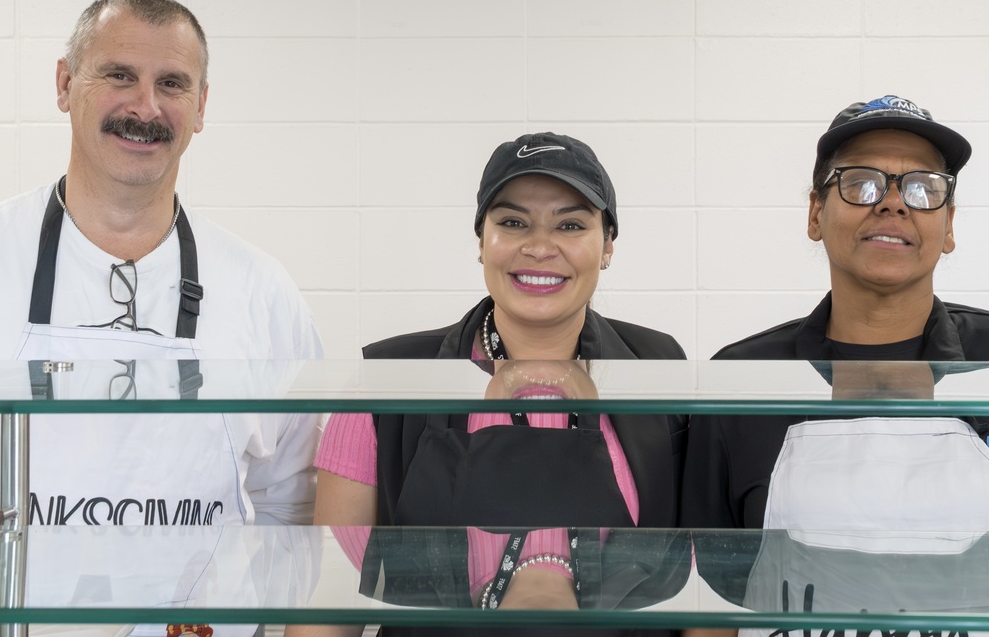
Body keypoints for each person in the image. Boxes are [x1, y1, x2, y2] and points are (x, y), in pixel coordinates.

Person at [0, 0, 322, 592]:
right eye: (119, 75)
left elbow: (294, 511)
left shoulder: (264, 294)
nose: (145, 106)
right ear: (64, 84)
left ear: (202, 106)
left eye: (173, 84)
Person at [292, 132, 689, 637]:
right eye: (512, 222)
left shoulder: (661, 369)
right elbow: (328, 608)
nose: (540, 247)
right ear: (482, 242)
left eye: (570, 224)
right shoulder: (386, 379)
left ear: (607, 244)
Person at [680, 94, 989, 634]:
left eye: (921, 187)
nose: (893, 204)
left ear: (950, 225)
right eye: (861, 182)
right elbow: (709, 606)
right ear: (815, 213)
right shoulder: (739, 380)